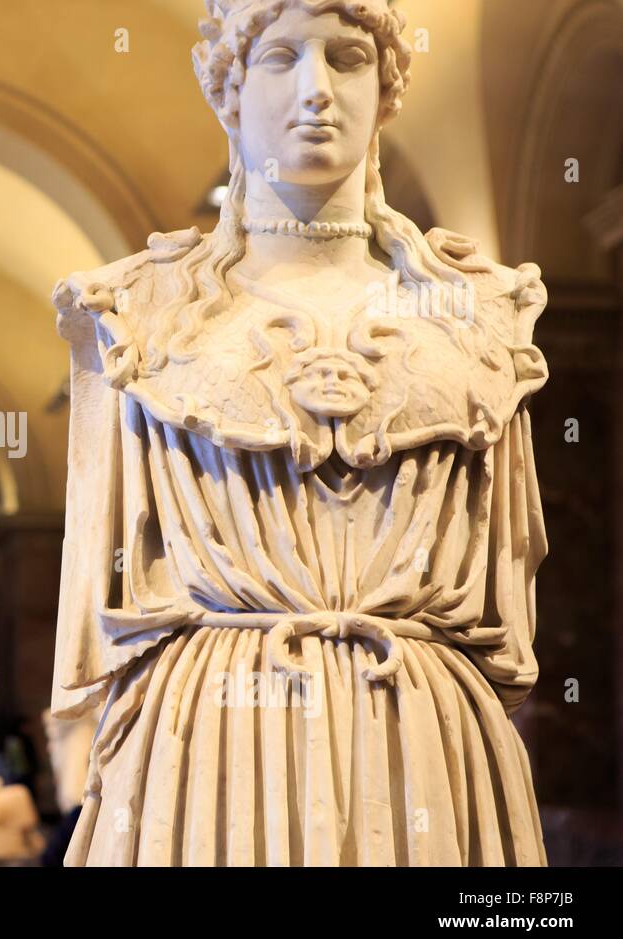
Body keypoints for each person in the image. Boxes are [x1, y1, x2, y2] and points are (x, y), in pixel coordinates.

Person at [52, 0, 549, 866]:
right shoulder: (137, 312)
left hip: (421, 741)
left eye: (348, 57)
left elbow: (508, 629)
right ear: (228, 92)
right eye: (280, 57)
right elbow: (103, 615)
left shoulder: (481, 317)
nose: (316, 89)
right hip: (210, 743)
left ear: (386, 88)